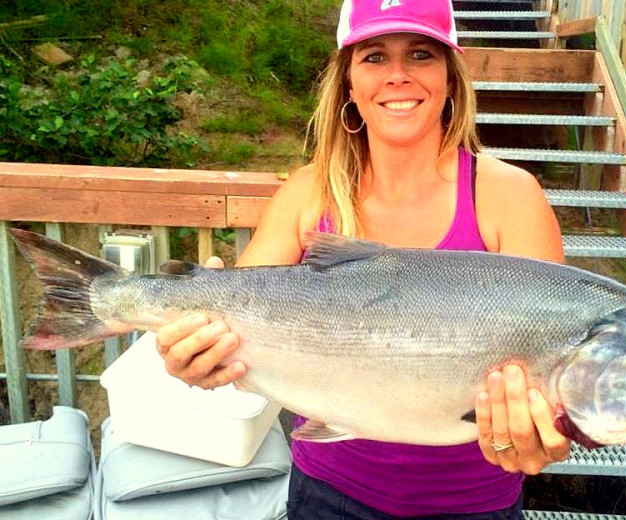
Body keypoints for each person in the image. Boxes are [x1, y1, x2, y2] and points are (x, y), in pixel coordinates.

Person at [156, 0, 570, 517]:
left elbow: (552, 382)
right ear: (348, 83)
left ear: (449, 77)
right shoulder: (307, 192)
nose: (397, 75)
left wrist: (542, 437)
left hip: (475, 506)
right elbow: (237, 330)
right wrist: (198, 350)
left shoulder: (510, 195)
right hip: (328, 495)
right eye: (374, 57)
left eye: (420, 54)